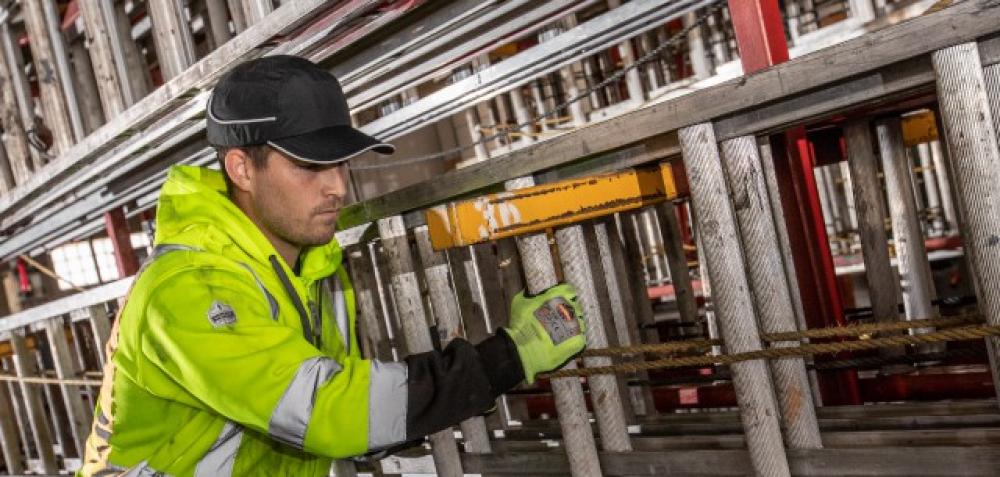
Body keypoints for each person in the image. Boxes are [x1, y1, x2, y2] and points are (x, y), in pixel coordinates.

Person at [78, 55, 587, 477]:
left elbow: (347, 427)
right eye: (309, 164)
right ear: (241, 168)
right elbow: (328, 412)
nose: (338, 187)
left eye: (341, 161)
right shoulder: (186, 290)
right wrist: (509, 356)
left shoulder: (317, 272)